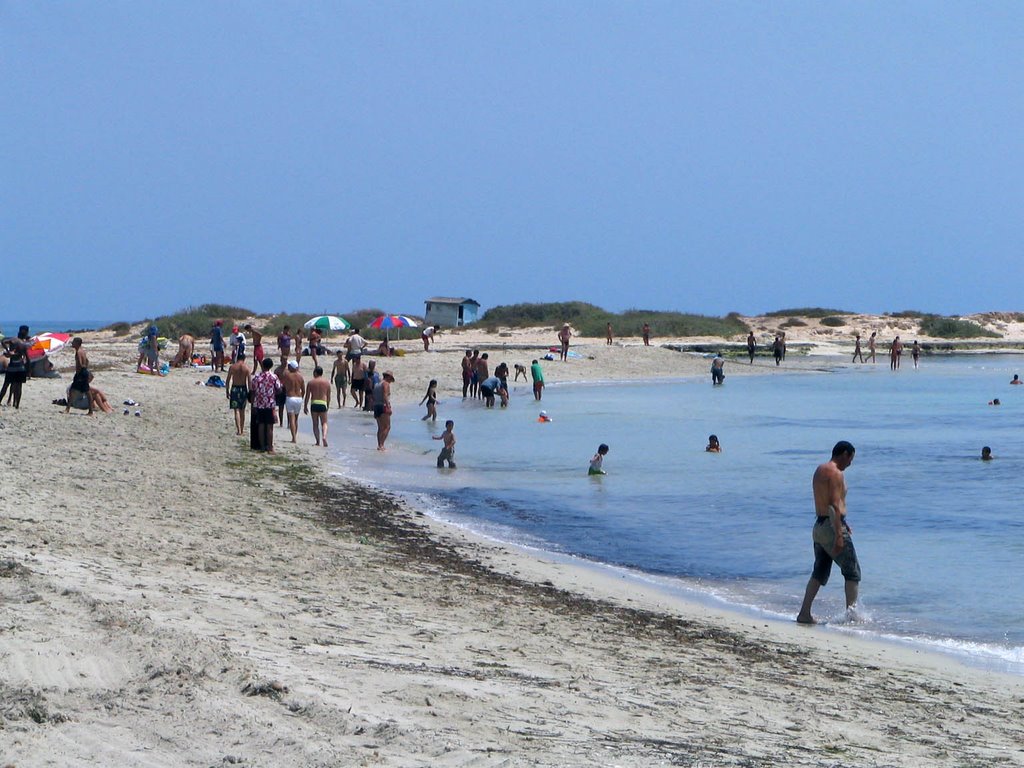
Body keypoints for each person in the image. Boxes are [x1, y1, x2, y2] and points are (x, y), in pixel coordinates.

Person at [797, 441, 859, 625]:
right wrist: (839, 534)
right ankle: (851, 618)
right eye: (850, 459)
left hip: (819, 526)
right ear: (844, 454)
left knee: (820, 571)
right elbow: (833, 505)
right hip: (832, 527)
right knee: (853, 572)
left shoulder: (820, 470)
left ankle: (804, 613)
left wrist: (844, 523)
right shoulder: (836, 473)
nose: (850, 463)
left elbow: (826, 504)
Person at [250, 358, 282, 453]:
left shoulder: (257, 377)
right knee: (269, 427)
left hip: (259, 404)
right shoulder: (273, 377)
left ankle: (262, 446)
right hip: (270, 404)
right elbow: (279, 389)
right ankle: (270, 447)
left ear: (262, 365)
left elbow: (253, 391)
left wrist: (253, 404)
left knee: (261, 425)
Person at [1, 326, 30, 409]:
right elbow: (27, 358)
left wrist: (8, 351)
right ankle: (17, 405)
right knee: (19, 387)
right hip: (20, 366)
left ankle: (1, 400)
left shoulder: (13, 340)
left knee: (6, 385)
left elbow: (3, 341)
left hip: (12, 365)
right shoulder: (24, 344)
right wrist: (28, 370)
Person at [224, 351, 252, 436]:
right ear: (244, 359)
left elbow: (228, 380)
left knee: (236, 410)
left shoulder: (233, 367)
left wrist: (227, 391)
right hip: (243, 389)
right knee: (242, 410)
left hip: (235, 389)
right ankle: (242, 430)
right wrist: (250, 393)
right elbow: (249, 382)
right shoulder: (247, 368)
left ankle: (238, 430)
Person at [304, 366, 331, 447]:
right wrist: (328, 405)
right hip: (323, 403)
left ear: (315, 373)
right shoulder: (326, 383)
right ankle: (324, 437)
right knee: (324, 423)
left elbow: (307, 396)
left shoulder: (311, 382)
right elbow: (328, 396)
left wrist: (305, 406)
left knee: (315, 424)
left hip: (314, 403)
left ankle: (317, 441)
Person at [65, 337, 94, 415]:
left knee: (73, 390)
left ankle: (67, 409)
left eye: (73, 342)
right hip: (84, 372)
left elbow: (80, 364)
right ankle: (90, 411)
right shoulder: (83, 351)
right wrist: (85, 369)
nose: (72, 343)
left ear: (77, 343)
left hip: (80, 374)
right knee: (87, 391)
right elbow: (87, 361)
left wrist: (80, 370)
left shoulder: (78, 352)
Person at [281, 360, 306, 443]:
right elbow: (303, 390)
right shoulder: (300, 377)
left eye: (289, 366)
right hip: (299, 398)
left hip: (290, 397)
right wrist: (301, 397)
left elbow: (282, 386)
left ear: (292, 367)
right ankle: (295, 435)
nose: (288, 367)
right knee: (296, 419)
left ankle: (294, 438)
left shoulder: (287, 376)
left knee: (291, 418)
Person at [373, 370, 395, 451]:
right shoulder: (385, 384)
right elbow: (385, 395)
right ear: (388, 377)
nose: (390, 381)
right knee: (387, 426)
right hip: (383, 405)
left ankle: (379, 444)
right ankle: (381, 444)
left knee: (380, 427)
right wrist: (388, 407)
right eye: (391, 379)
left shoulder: (377, 384)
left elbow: (373, 395)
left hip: (376, 406)